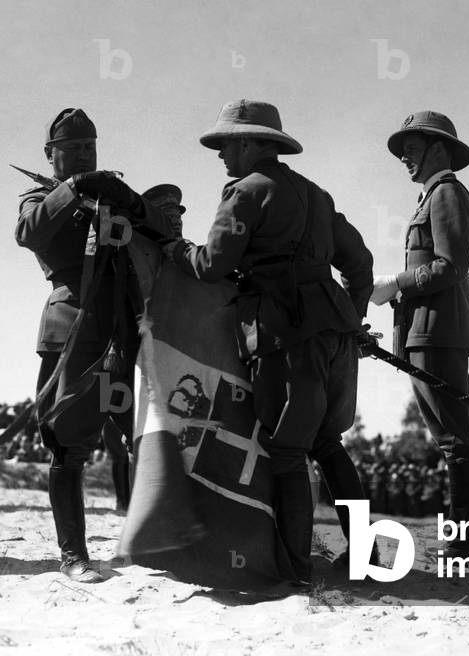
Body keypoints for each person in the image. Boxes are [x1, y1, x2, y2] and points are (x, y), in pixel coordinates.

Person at [163, 100, 374, 584]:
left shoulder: (245, 193)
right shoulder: (316, 195)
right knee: (328, 443)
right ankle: (363, 556)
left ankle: (298, 571)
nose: (220, 154)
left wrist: (175, 249)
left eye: (227, 144)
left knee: (287, 453)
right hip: (335, 336)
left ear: (253, 143)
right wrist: (350, 316)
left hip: (285, 337)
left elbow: (211, 265)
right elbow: (359, 264)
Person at [15, 108, 175, 583]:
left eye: (91, 146)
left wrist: (131, 200)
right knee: (68, 444)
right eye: (74, 148)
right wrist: (75, 188)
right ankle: (73, 554)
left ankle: (150, 542)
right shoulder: (41, 196)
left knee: (141, 438)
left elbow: (164, 233)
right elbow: (29, 233)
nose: (85, 154)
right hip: (71, 330)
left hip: (124, 331)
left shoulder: (112, 194)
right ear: (51, 154)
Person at [369, 111, 469, 555]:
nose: (404, 157)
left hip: (439, 332)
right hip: (427, 330)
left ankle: (465, 549)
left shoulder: (447, 194)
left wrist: (396, 283)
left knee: (454, 440)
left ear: (438, 147)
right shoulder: (433, 196)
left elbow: (450, 267)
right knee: (456, 439)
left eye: (411, 147)